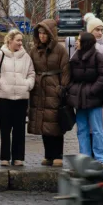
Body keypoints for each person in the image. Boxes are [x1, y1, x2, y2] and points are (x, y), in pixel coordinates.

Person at [0, 29, 35, 167]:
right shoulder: (0, 55)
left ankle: (18, 157)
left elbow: (31, 73)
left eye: (21, 40)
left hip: (21, 98)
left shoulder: (26, 57)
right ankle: (4, 157)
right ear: (10, 40)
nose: (20, 43)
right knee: (5, 129)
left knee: (19, 129)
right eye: (18, 40)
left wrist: (28, 84)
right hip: (4, 98)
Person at [28, 20, 70, 167]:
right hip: (39, 90)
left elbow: (66, 69)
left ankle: (58, 154)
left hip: (54, 89)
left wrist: (62, 88)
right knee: (43, 124)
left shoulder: (60, 50)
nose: (42, 36)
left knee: (56, 123)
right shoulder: (34, 50)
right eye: (39, 33)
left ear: (51, 34)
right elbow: (30, 68)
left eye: (45, 33)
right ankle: (48, 155)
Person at [66, 32, 103, 167]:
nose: (76, 42)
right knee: (82, 129)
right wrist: (73, 90)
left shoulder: (98, 57)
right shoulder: (76, 56)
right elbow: (70, 77)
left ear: (85, 42)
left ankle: (100, 158)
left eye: (79, 40)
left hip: (93, 99)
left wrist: (92, 90)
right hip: (80, 99)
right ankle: (85, 157)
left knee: (97, 129)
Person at [84, 13, 103, 134]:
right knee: (89, 123)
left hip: (101, 87)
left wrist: (100, 43)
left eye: (102, 30)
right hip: (89, 86)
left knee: (100, 122)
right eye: (97, 29)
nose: (100, 32)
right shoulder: (87, 44)